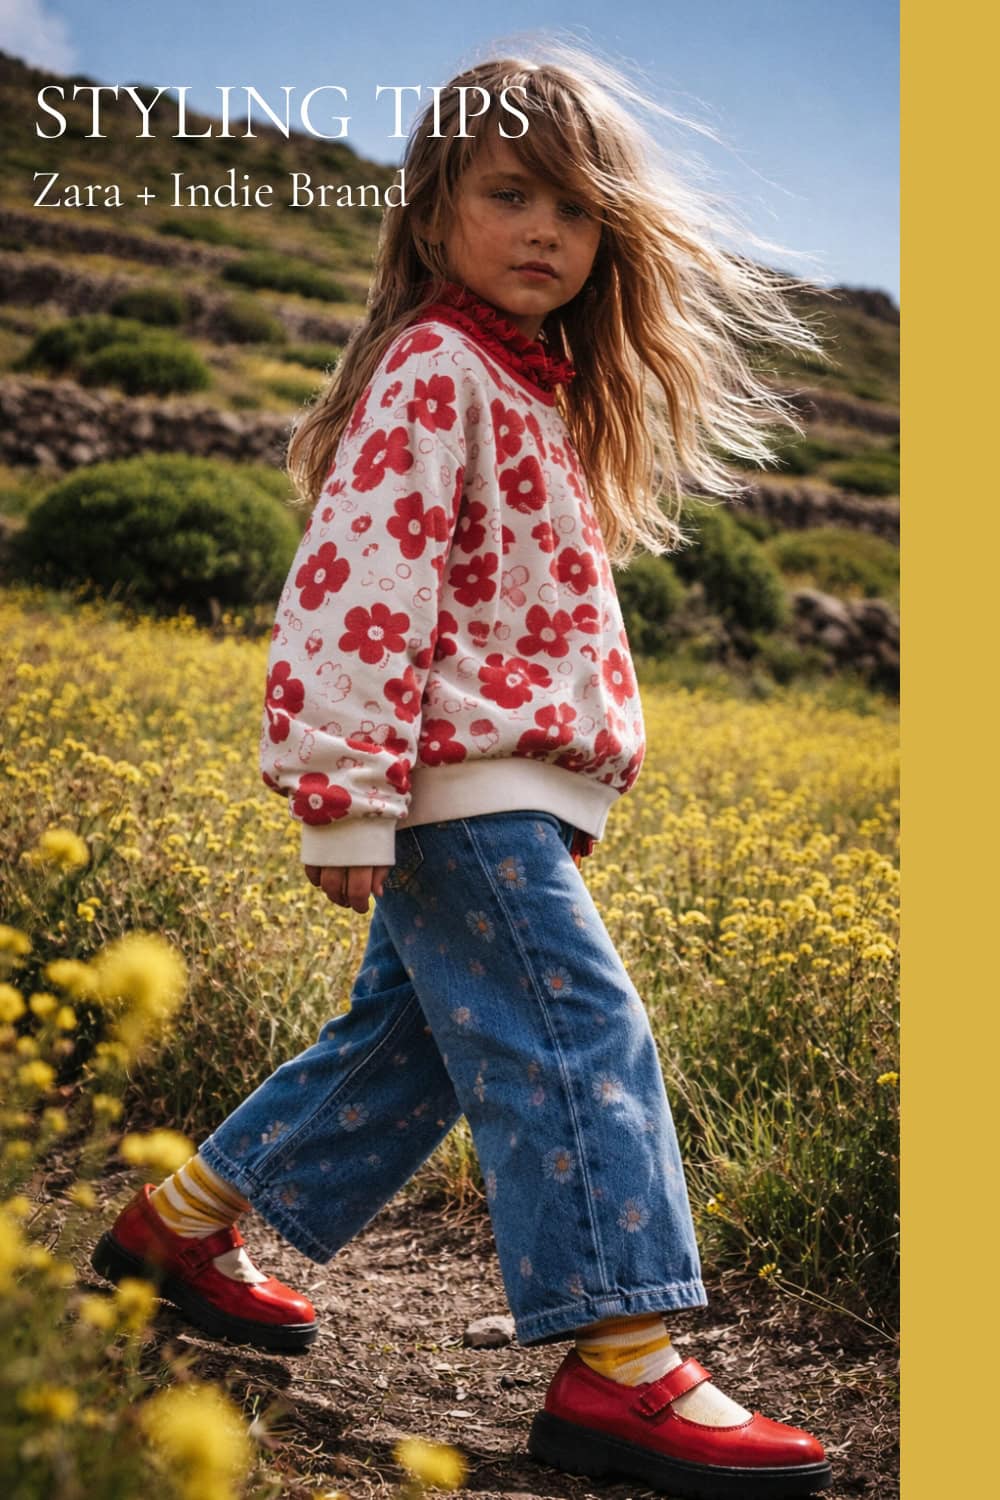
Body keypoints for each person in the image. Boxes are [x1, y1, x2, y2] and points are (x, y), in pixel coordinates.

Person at [92, 40, 833, 1498]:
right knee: (580, 1037)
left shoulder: (525, 385)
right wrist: (347, 794)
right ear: (433, 213)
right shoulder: (438, 369)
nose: (546, 229)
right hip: (450, 787)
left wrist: (569, 789)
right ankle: (622, 1360)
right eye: (510, 194)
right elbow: (358, 588)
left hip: (499, 792)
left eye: (575, 205)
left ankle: (180, 1227)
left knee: (407, 1047)